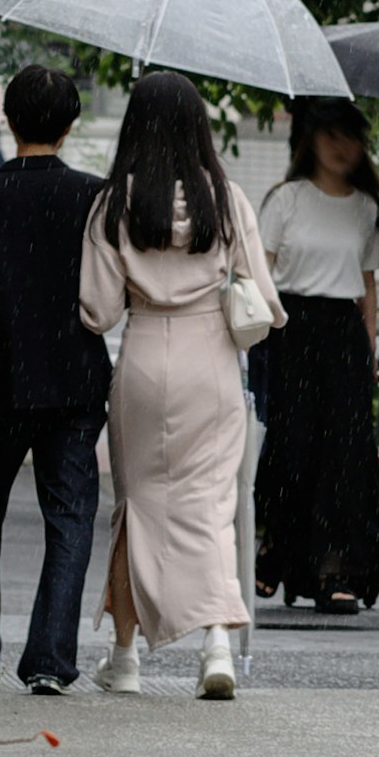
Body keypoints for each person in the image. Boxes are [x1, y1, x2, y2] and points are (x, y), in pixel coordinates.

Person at [78, 69, 280, 699]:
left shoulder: (116, 202)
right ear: (199, 125)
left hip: (143, 359)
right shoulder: (226, 198)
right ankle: (215, 644)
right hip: (211, 363)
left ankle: (125, 657)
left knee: (136, 507)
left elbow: (98, 310)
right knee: (211, 507)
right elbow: (264, 302)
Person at [0, 67, 114, 692]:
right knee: (70, 520)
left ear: (8, 120)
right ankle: (49, 660)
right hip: (75, 382)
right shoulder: (96, 197)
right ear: (70, 126)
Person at [251, 97, 379, 615]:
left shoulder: (366, 208)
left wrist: (369, 349)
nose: (341, 148)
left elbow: (368, 288)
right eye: (331, 136)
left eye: (351, 138)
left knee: (344, 456)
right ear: (311, 140)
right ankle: (277, 551)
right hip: (290, 328)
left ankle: (334, 570)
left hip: (343, 336)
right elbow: (260, 273)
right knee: (292, 446)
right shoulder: (285, 199)